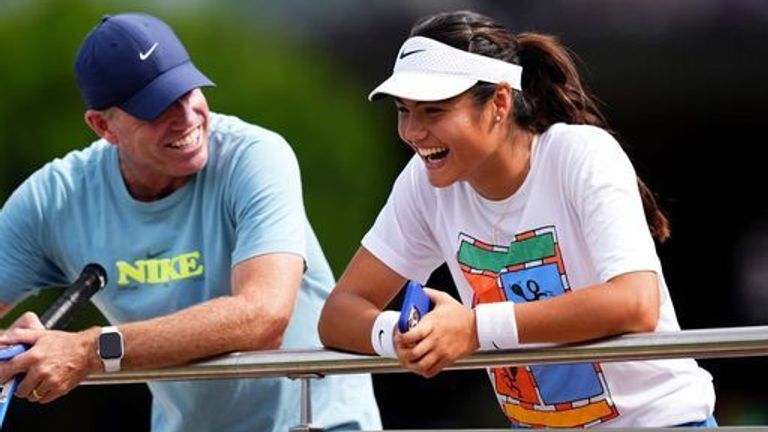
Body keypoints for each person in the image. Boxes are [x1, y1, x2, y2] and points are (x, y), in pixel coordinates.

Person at [318, 9, 716, 429]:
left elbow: (635, 303)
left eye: (433, 111)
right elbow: (338, 314)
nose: (413, 131)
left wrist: (474, 328)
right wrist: (401, 335)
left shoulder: (581, 155)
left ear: (500, 103)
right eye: (404, 110)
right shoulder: (423, 181)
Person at [0, 12, 381, 432]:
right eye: (156, 107)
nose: (186, 116)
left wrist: (91, 349)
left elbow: (263, 317)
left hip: (319, 422)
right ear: (103, 125)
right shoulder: (52, 199)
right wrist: (17, 352)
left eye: (187, 89)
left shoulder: (257, 156)